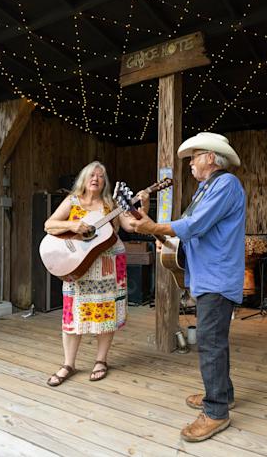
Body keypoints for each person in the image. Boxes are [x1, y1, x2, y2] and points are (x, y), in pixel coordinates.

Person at [128, 132, 245, 442]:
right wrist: (148, 217)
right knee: (214, 340)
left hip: (217, 277)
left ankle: (217, 412)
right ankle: (222, 394)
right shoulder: (205, 189)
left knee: (210, 342)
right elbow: (182, 238)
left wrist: (152, 226)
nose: (190, 163)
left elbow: (193, 227)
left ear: (210, 157)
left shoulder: (225, 184)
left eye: (194, 156)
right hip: (208, 276)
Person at [44, 161, 148, 386]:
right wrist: (73, 226)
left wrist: (143, 207)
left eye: (101, 176)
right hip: (77, 265)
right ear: (83, 178)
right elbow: (49, 225)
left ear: (105, 182)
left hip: (108, 265)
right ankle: (68, 364)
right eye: (92, 174)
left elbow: (131, 227)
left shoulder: (111, 204)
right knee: (72, 313)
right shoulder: (72, 201)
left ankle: (101, 360)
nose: (96, 179)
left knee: (106, 313)